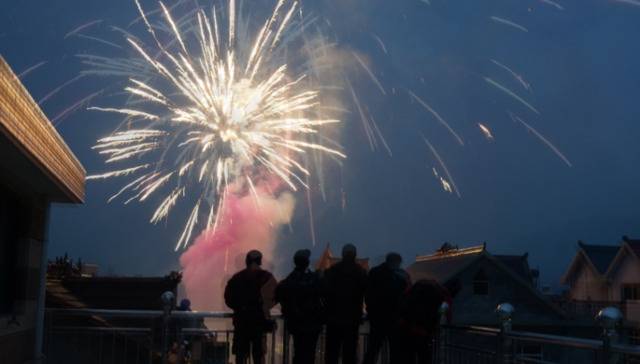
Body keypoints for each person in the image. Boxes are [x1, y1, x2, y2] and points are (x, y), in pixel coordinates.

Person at [224, 250, 277, 364]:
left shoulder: (236, 278)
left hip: (241, 323)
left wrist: (240, 308)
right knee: (259, 356)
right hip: (259, 323)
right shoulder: (267, 277)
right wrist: (264, 307)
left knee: (240, 355)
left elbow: (228, 299)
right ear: (260, 261)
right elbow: (275, 296)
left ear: (246, 261)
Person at [276, 249, 324, 364]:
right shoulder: (314, 279)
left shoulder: (289, 280)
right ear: (306, 262)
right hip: (312, 324)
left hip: (296, 324)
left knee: (298, 353)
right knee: (310, 354)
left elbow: (280, 296)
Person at [322, 244, 368, 364]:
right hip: (352, 319)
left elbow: (324, 292)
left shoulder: (332, 271)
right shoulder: (361, 273)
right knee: (350, 353)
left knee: (332, 352)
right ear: (355, 255)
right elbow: (367, 293)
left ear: (342, 254)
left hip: (333, 319)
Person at [363, 253, 411, 364]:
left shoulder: (374, 272)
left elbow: (368, 294)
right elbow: (403, 296)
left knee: (372, 349)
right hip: (393, 319)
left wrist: (371, 312)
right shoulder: (400, 276)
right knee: (394, 351)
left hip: (377, 319)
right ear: (396, 262)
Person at [398, 279, 447, 364]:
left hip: (409, 331)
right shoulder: (439, 297)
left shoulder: (412, 295)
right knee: (424, 357)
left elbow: (404, 309)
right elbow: (440, 312)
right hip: (424, 333)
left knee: (409, 357)